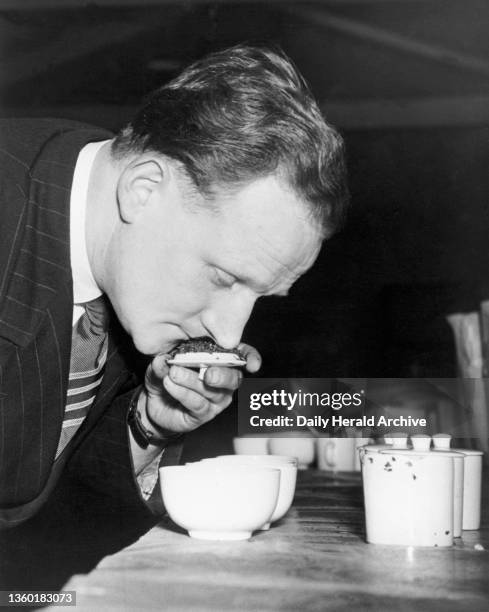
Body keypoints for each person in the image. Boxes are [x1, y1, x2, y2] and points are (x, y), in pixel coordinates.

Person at [0, 44, 348, 537]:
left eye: (260, 296)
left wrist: (150, 424)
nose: (229, 338)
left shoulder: (111, 232)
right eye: (225, 278)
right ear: (144, 189)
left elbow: (29, 491)